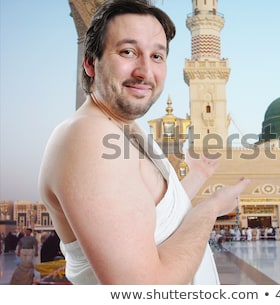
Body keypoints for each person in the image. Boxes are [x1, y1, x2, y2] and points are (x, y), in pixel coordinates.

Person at [38, 0, 249, 285]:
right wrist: (210, 208)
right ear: (90, 62)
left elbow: (157, 218)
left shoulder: (124, 128)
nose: (145, 71)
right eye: (128, 52)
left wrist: (198, 175)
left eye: (157, 56)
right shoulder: (88, 137)